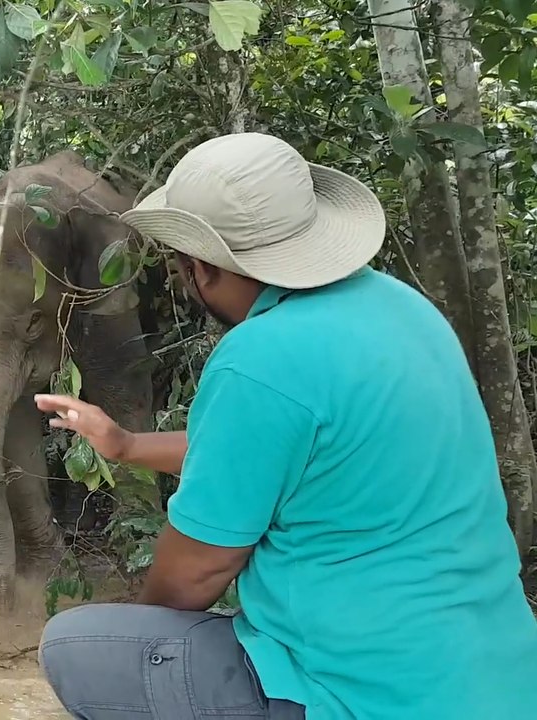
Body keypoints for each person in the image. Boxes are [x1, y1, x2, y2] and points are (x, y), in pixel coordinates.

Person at [33, 132, 537, 719]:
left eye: (181, 267)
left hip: (361, 690)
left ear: (203, 269)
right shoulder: (402, 307)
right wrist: (125, 445)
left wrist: (147, 641)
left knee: (78, 648)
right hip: (491, 676)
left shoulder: (260, 357)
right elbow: (281, 452)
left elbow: (198, 571)